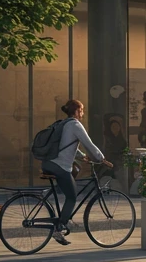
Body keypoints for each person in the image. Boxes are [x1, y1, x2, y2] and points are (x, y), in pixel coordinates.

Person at [41, 99, 111, 246]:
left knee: (75, 170)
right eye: (82, 110)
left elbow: (68, 144)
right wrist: (101, 158)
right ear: (77, 111)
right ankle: (58, 229)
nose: (83, 113)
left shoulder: (64, 123)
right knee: (72, 197)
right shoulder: (75, 125)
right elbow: (88, 143)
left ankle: (51, 197)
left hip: (50, 163)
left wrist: (81, 157)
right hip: (59, 166)